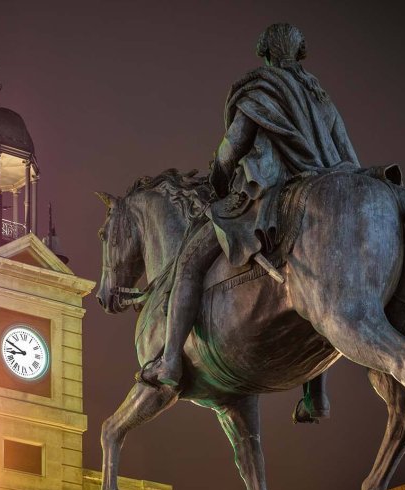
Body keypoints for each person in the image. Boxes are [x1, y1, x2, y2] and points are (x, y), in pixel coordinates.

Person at [145, 23, 360, 422]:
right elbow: (349, 156)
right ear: (299, 54)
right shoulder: (321, 98)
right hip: (326, 192)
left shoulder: (261, 91)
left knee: (189, 263)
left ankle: (170, 361)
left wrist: (219, 174)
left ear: (265, 54)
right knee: (323, 283)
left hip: (269, 196)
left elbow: (234, 145)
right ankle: (316, 392)